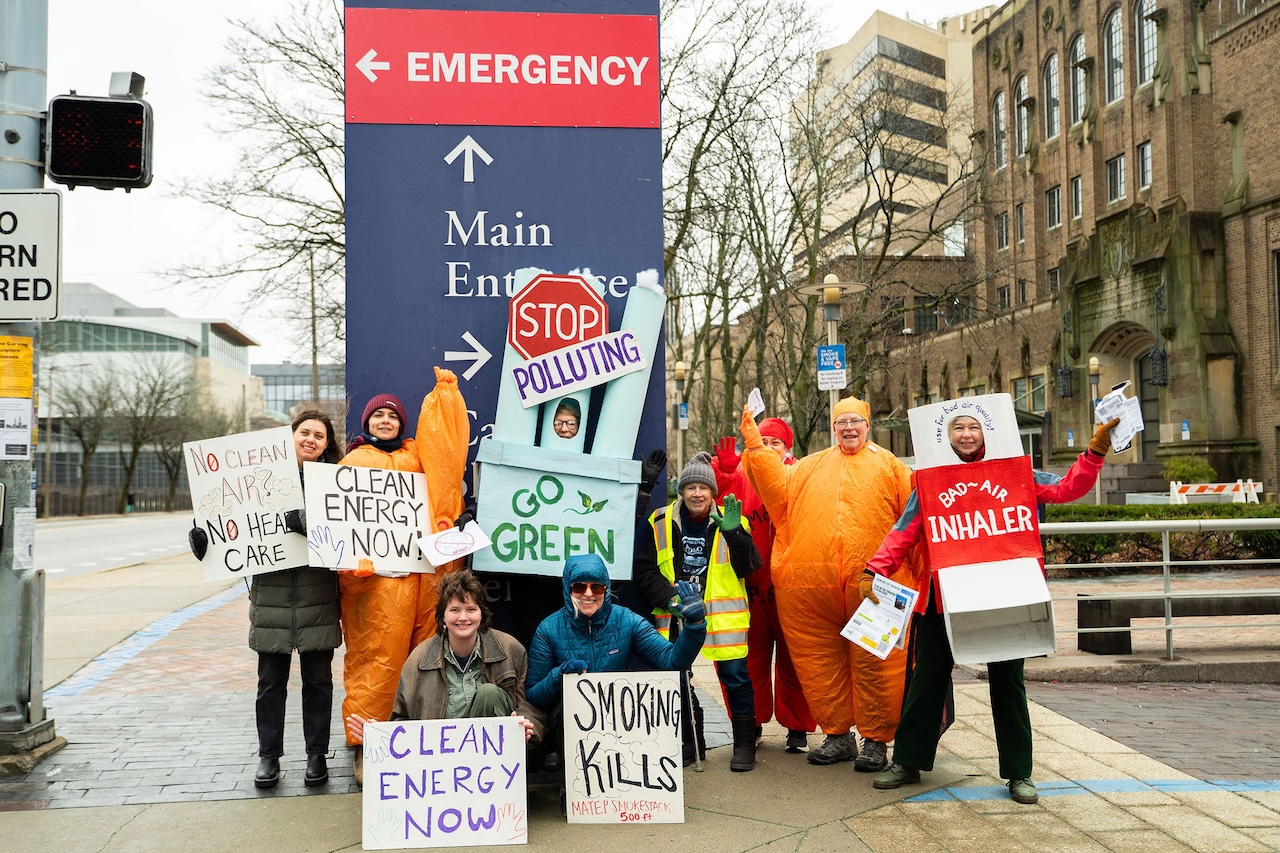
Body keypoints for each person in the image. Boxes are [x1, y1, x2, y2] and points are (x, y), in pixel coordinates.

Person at [864, 414, 1122, 805]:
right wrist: (874, 569)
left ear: (988, 429)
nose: (966, 435)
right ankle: (907, 761)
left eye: (973, 427)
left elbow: (1068, 489)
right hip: (943, 595)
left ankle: (1020, 772)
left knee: (1008, 683)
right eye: (958, 428)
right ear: (946, 435)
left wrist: (1095, 451)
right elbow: (907, 527)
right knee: (926, 680)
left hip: (1004, 593)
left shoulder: (1019, 472)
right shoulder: (930, 480)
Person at [740, 397, 914, 773]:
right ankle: (837, 734)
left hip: (875, 587)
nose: (849, 428)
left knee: (877, 665)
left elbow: (914, 518)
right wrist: (755, 445)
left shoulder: (891, 467)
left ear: (868, 425)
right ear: (833, 427)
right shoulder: (809, 467)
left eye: (855, 421)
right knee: (819, 664)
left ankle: (876, 740)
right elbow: (777, 491)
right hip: (811, 591)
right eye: (842, 422)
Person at [187, 409, 342, 790]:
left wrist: (306, 524)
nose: (310, 439)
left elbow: (344, 538)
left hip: (318, 597)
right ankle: (268, 756)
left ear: (326, 445)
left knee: (318, 683)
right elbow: (225, 524)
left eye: (319, 436)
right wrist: (204, 543)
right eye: (304, 432)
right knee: (269, 684)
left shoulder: (335, 484)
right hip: (270, 598)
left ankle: (316, 755)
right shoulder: (254, 478)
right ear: (289, 436)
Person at [339, 367, 470, 786]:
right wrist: (349, 565)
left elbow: (447, 460)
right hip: (375, 586)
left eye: (392, 416)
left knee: (426, 663)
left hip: (422, 579)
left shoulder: (417, 457)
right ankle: (366, 748)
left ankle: (421, 744)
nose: (385, 421)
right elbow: (338, 526)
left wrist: (446, 398)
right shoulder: (352, 463)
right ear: (366, 422)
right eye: (378, 416)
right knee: (375, 664)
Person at [635, 451, 762, 771]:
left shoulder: (735, 520)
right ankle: (693, 744)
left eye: (703, 488)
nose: (696, 493)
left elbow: (749, 567)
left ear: (712, 492)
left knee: (736, 678)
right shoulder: (660, 520)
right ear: (681, 491)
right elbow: (645, 572)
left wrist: (735, 534)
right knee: (678, 679)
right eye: (690, 487)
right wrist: (671, 601)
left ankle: (745, 744)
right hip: (677, 615)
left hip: (723, 618)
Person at [344, 569, 544, 749]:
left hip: (494, 763)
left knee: (489, 694)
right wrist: (378, 735)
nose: (463, 617)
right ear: (443, 616)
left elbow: (529, 705)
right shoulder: (418, 660)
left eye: (471, 609)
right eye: (455, 610)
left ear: (482, 613)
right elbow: (402, 720)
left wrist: (528, 728)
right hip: (439, 765)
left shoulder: (511, 650)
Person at [711, 422, 816, 754]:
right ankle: (750, 721)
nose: (769, 447)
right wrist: (724, 475)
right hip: (751, 583)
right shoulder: (742, 474)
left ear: (787, 447)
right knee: (748, 657)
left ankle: (798, 726)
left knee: (796, 660)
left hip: (791, 585)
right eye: (763, 441)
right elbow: (720, 505)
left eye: (776, 442)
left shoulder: (801, 475)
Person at [526, 554, 707, 712]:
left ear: (606, 590)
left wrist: (695, 625)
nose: (588, 594)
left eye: (596, 587)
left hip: (620, 717)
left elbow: (672, 662)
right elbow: (534, 697)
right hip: (569, 723)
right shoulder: (548, 629)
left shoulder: (627, 621)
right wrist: (558, 676)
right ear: (568, 590)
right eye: (579, 587)